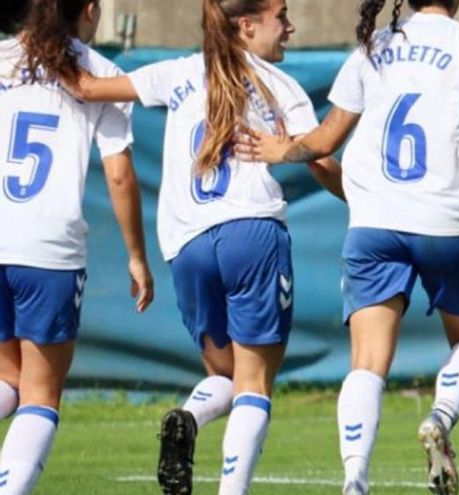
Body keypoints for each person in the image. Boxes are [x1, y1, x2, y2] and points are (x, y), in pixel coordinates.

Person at [233, 1, 459, 494]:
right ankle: (440, 416)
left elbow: (326, 138)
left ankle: (355, 478)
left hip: (374, 223)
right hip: (444, 220)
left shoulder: (373, 48)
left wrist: (281, 149)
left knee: (367, 364)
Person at [68, 0, 342, 493]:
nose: (290, 27)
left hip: (188, 244)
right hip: (252, 234)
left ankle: (190, 417)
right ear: (246, 25)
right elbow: (319, 161)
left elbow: (85, 86)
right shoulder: (279, 86)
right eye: (281, 16)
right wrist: (362, 201)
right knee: (255, 384)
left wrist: (37, 47)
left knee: (226, 376)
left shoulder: (178, 72)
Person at [0, 0, 154, 492]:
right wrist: (136, 256)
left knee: (9, 376)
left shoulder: (3, 57)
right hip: (49, 247)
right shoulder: (101, 72)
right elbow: (118, 173)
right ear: (90, 9)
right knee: (40, 395)